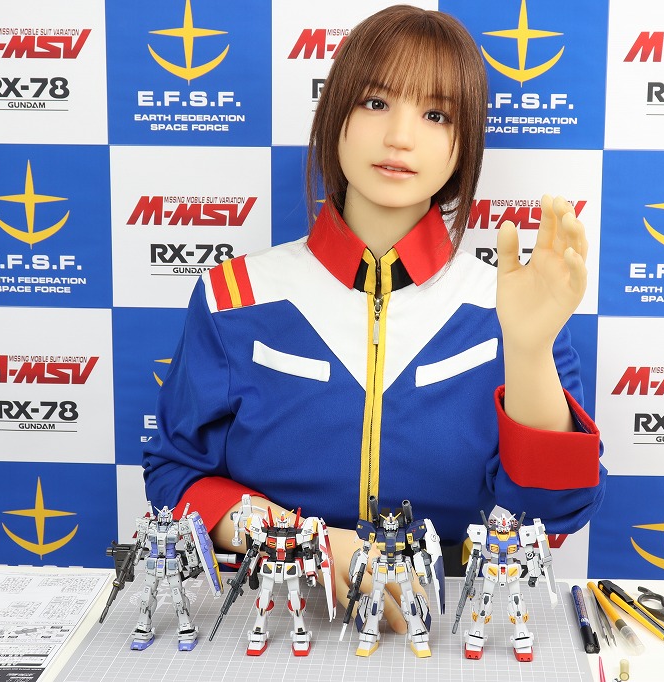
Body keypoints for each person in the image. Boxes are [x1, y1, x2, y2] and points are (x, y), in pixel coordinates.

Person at [143, 5, 606, 639]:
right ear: (335, 115)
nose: (400, 137)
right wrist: (305, 543)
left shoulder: (507, 301)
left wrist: (528, 350)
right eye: (376, 102)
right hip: (277, 620)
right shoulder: (235, 295)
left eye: (436, 115)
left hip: (452, 629)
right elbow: (174, 476)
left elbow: (553, 517)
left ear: (466, 143)